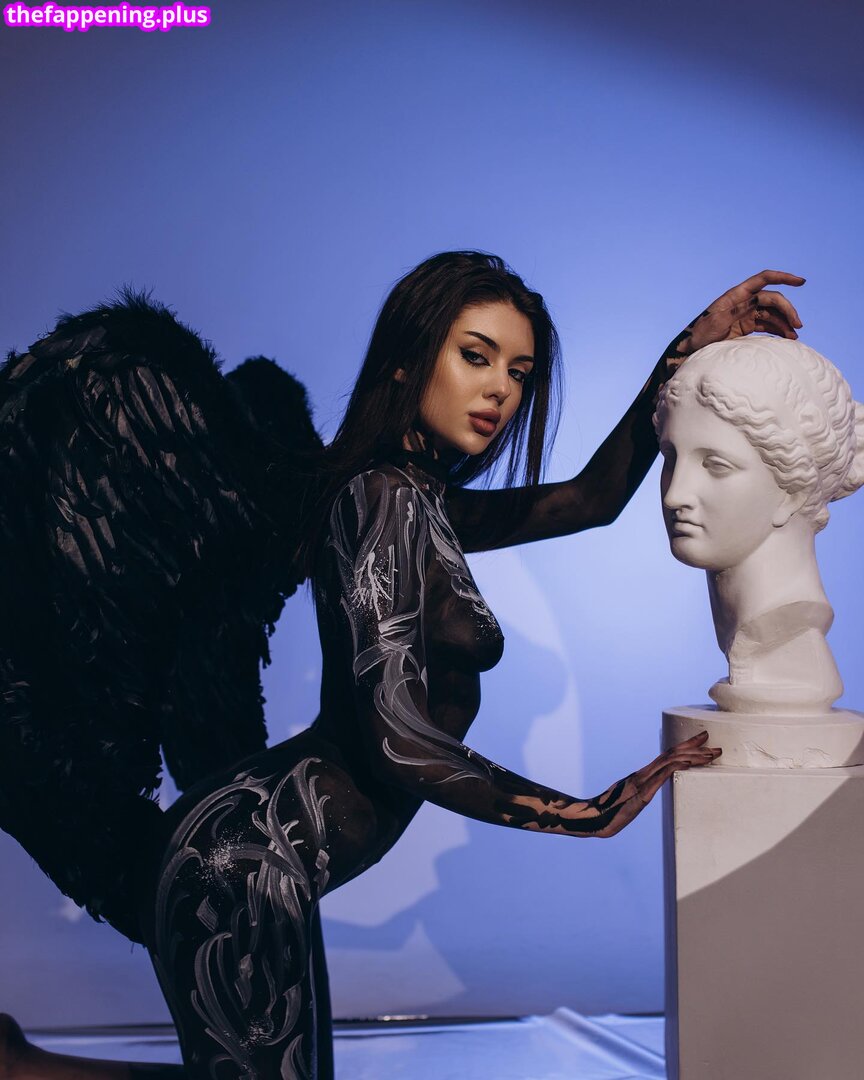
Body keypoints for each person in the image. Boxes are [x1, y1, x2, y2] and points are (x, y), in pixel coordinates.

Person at [0, 253, 803, 1079]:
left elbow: (587, 502)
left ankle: (24, 1067)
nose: (500, 390)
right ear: (407, 359)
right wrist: (580, 812)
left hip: (258, 856)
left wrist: (686, 346)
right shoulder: (379, 495)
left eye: (519, 372)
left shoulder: (421, 499)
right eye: (476, 356)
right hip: (239, 865)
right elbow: (398, 738)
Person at [655, 336, 864, 713]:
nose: (674, 495)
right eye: (670, 457)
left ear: (792, 491)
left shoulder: (792, 645)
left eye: (716, 465)